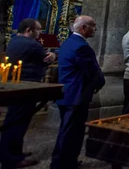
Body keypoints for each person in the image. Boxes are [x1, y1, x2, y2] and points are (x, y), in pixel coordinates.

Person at [51, 16, 105, 169]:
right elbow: (92, 71)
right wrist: (100, 82)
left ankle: (65, 161)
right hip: (76, 96)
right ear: (83, 28)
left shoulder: (68, 43)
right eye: (93, 26)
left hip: (66, 93)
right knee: (71, 132)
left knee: (67, 130)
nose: (95, 29)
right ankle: (62, 163)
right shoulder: (82, 47)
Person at [1, 19, 55, 168]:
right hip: (27, 87)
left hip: (15, 84)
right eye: (38, 30)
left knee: (13, 119)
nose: (40, 33)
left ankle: (10, 151)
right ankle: (12, 158)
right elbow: (46, 59)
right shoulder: (31, 44)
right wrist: (52, 57)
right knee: (18, 121)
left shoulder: (14, 41)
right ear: (29, 30)